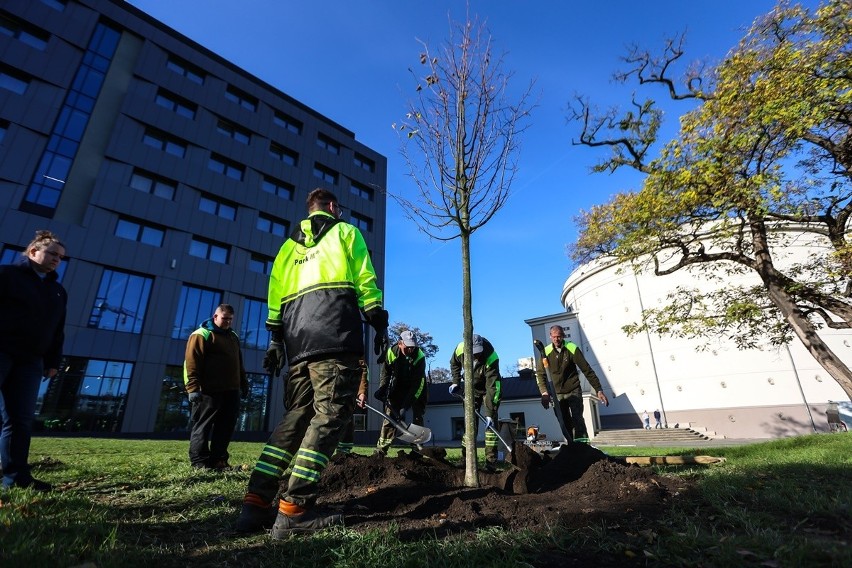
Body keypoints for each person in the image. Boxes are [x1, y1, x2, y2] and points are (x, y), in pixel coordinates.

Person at [236, 188, 387, 536]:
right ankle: (294, 509)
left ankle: (256, 503)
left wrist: (275, 338)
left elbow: (275, 293)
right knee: (331, 414)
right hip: (335, 333)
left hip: (296, 341)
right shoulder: (346, 232)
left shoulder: (288, 247)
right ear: (333, 207)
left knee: (298, 415)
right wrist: (377, 319)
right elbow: (365, 279)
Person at [0, 230, 67, 491]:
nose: (56, 260)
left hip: (31, 361)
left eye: (60, 257)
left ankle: (16, 478)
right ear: (32, 252)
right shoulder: (6, 276)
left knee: (20, 420)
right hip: (2, 351)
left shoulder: (58, 291)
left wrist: (53, 361)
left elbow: (57, 330)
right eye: (52, 253)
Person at [183, 304, 248, 470]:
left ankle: (219, 461)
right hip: (208, 391)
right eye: (224, 318)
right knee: (203, 426)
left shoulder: (232, 336)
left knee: (225, 426)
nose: (227, 322)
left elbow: (238, 363)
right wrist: (193, 388)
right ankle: (199, 463)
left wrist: (243, 383)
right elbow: (192, 363)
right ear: (215, 317)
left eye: (230, 319)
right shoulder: (201, 335)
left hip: (231, 390)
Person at [535, 325, 609, 443]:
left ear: (563, 336)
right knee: (563, 421)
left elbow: (587, 370)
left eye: (559, 336)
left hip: (573, 389)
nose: (556, 339)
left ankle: (582, 446)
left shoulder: (572, 349)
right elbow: (540, 374)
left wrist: (598, 389)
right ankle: (571, 446)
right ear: (550, 337)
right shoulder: (546, 352)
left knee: (577, 418)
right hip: (556, 393)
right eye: (554, 337)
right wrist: (544, 393)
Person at [449, 334, 502, 470]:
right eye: (473, 353)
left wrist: (490, 413)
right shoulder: (460, 348)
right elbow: (454, 364)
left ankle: (491, 462)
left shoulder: (491, 356)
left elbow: (493, 387)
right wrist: (456, 382)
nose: (476, 356)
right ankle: (467, 459)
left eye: (478, 353)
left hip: (487, 390)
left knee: (491, 427)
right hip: (470, 388)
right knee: (470, 425)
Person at [375, 330, 427, 454]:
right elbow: (386, 373)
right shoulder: (391, 353)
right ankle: (381, 449)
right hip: (398, 386)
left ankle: (417, 449)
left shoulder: (419, 357)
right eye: (407, 347)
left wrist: (405, 406)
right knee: (390, 416)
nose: (410, 350)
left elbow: (417, 385)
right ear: (400, 343)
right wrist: (382, 388)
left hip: (417, 389)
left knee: (418, 416)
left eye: (413, 347)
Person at [336, 358, 369, 455]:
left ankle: (343, 453)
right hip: (329, 387)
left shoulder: (355, 349)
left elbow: (363, 369)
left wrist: (362, 392)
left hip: (347, 390)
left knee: (347, 420)